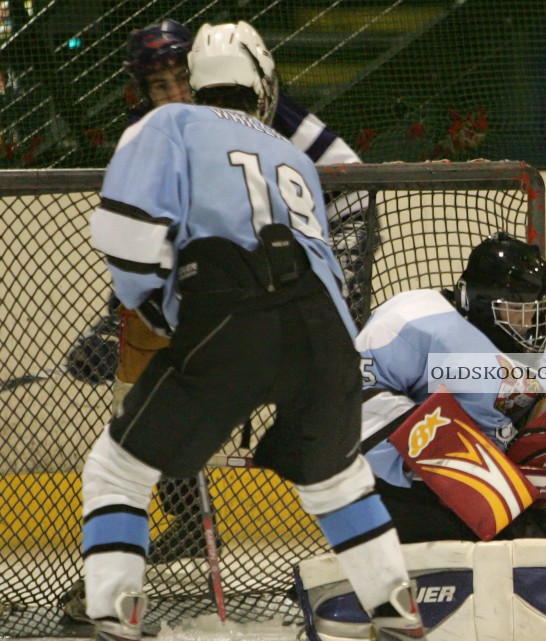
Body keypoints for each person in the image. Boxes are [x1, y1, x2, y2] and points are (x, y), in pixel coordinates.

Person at [57, 21, 434, 641]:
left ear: (195, 85)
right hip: (327, 337)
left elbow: (125, 238)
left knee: (117, 469)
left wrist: (163, 315)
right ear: (262, 83)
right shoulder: (289, 151)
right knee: (339, 480)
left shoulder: (170, 122)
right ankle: (402, 636)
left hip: (233, 309)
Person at [295, 233, 546, 641]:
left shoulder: (525, 356)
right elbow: (348, 395)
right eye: (518, 313)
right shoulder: (416, 318)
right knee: (472, 477)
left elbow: (520, 428)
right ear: (484, 304)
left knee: (517, 518)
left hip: (441, 479)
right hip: (375, 474)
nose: (532, 327)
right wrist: (455, 451)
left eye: (537, 314)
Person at [115, 19, 366, 568]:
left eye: (180, 79)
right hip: (207, 287)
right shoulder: (152, 134)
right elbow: (148, 241)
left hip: (276, 290)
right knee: (134, 406)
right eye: (158, 87)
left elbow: (349, 173)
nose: (175, 95)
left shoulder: (266, 111)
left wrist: (332, 271)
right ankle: (182, 514)